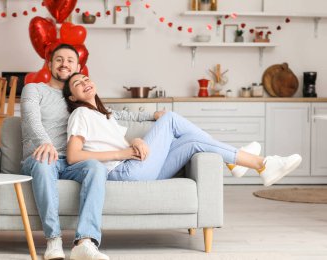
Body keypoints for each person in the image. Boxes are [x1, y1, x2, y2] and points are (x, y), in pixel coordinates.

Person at [62, 72, 302, 186]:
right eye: (77, 84)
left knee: (193, 143)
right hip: (125, 173)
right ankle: (259, 164)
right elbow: (74, 156)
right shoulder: (81, 113)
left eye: (85, 78)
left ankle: (247, 163)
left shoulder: (105, 116)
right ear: (72, 96)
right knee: (170, 120)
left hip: (137, 169)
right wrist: (122, 154)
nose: (84, 82)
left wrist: (133, 143)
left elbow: (114, 142)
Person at [21, 44, 109, 260]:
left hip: (70, 161)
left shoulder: (78, 97)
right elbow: (31, 118)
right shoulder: (34, 88)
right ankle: (54, 240)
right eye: (59, 59)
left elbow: (109, 114)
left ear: (78, 67)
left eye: (70, 60)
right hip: (40, 157)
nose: (64, 64)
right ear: (49, 64)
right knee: (44, 161)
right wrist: (45, 142)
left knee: (96, 167)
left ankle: (85, 242)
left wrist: (150, 116)